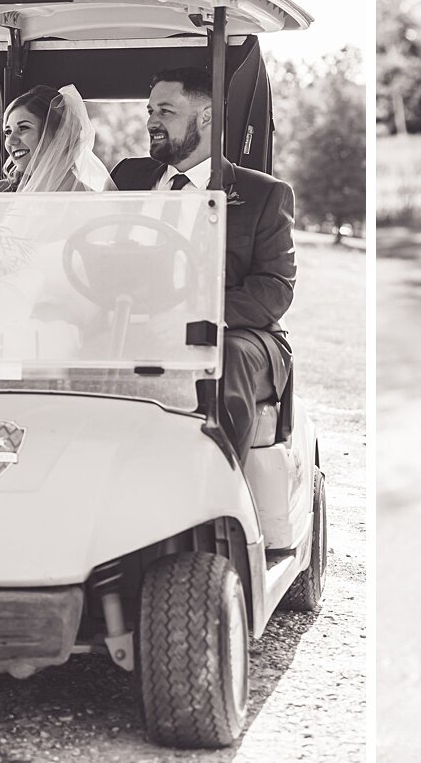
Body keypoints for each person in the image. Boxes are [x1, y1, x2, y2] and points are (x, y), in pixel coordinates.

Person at [110, 67, 295, 466]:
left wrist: (193, 316)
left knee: (225, 355)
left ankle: (214, 489)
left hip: (235, 333)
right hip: (137, 320)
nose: (151, 122)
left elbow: (274, 290)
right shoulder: (127, 176)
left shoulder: (264, 194)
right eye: (149, 110)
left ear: (207, 116)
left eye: (165, 111)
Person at [0, 84, 117, 193]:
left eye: (23, 128)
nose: (11, 141)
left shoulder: (90, 203)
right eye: (8, 131)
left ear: (59, 134)